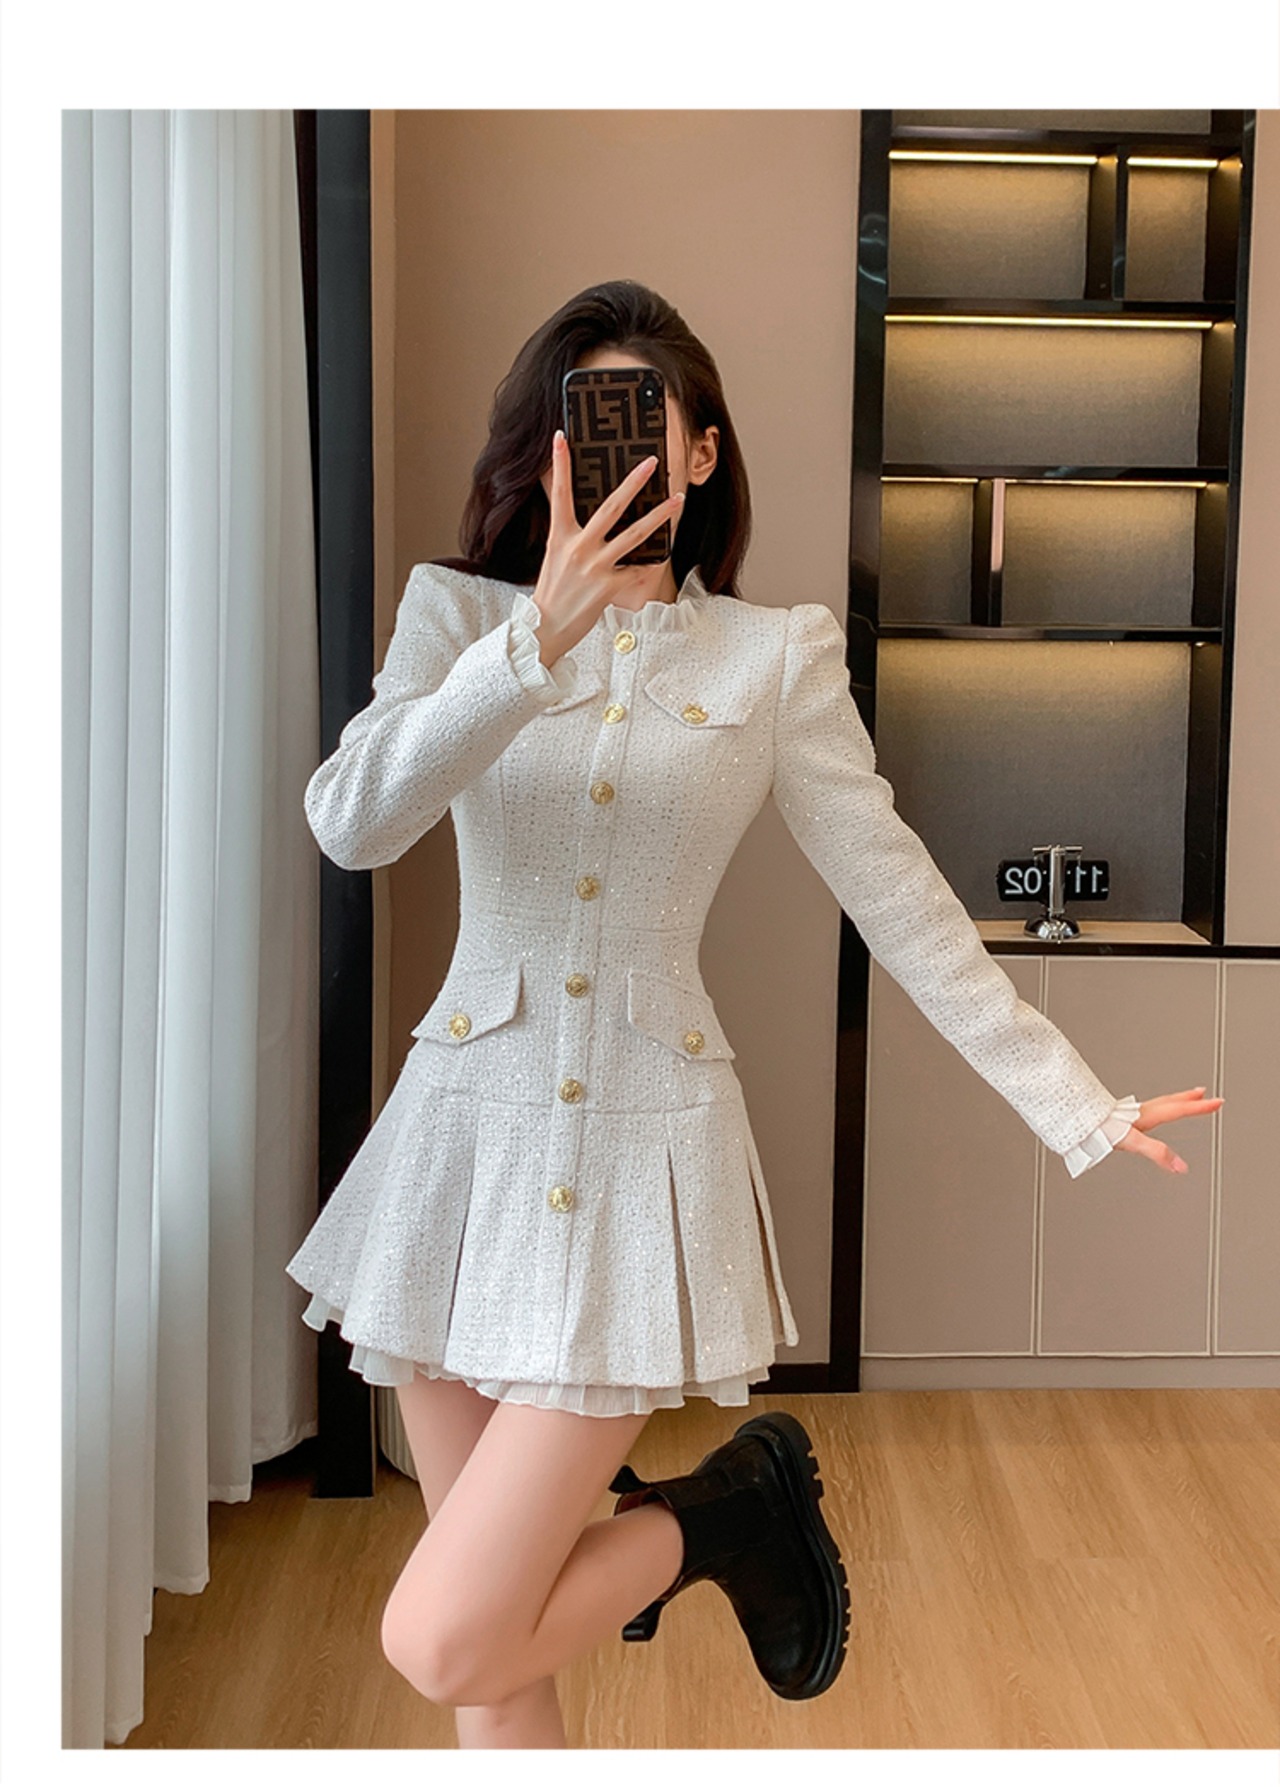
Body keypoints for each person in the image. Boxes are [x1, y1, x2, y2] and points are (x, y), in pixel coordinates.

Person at [284, 278, 1224, 1749]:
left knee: (445, 1634)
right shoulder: (458, 616)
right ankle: (733, 1511)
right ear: (543, 454)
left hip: (640, 1170)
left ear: (705, 452)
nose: (613, 457)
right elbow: (352, 823)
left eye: (644, 425)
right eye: (580, 427)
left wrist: (1075, 1101)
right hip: (456, 1162)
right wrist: (533, 643)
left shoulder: (773, 654)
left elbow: (897, 895)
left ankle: (720, 1517)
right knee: (496, 1664)